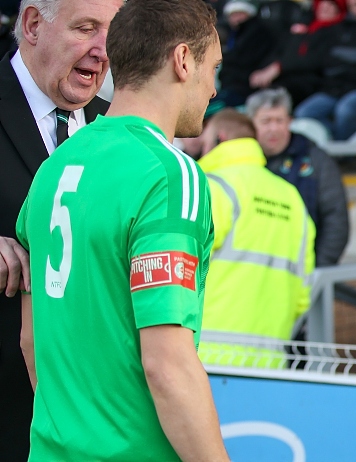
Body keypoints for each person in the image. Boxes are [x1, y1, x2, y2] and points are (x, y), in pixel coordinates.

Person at [16, 0, 229, 460]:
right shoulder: (171, 174)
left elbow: (32, 343)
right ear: (182, 60)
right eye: (213, 67)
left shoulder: (54, 167)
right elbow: (167, 365)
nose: (213, 88)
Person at [0, 0, 118, 458]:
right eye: (86, 28)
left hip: (92, 419)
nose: (103, 49)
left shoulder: (117, 125)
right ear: (32, 24)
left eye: (112, 31)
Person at [194, 108, 315, 367]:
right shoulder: (292, 198)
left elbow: (182, 269)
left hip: (207, 358)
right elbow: (304, 292)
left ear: (220, 139)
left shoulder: (212, 187)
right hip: (271, 361)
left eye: (205, 142)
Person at [247, 87, 349, 267]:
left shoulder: (317, 161)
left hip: (302, 275)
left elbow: (336, 219)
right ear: (251, 124)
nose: (274, 128)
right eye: (266, 121)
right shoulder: (241, 162)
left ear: (290, 122)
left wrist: (317, 269)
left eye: (280, 121)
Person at [293, 0, 356, 140]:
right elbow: (329, 58)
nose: (354, 2)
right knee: (304, 112)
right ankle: (335, 142)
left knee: (345, 110)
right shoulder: (342, 25)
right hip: (338, 86)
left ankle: (346, 155)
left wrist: (343, 55)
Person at [249, 0, 346, 106]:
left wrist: (279, 67)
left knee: (275, 95)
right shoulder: (304, 28)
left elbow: (316, 60)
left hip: (311, 81)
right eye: (322, 4)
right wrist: (264, 70)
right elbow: (282, 51)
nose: (325, 8)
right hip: (288, 76)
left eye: (331, 5)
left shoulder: (337, 32)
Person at [216, 0, 278, 107]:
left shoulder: (255, 32)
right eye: (233, 15)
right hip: (231, 86)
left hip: (242, 89)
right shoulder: (235, 34)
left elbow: (243, 61)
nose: (236, 19)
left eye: (239, 14)